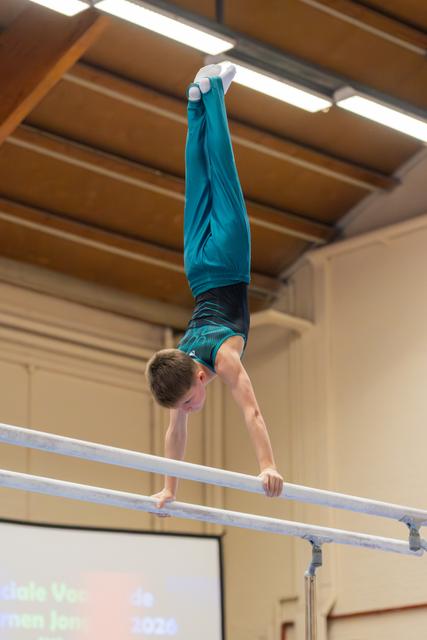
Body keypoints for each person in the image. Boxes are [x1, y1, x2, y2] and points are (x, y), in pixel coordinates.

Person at [145, 63, 284, 510]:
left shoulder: (221, 360)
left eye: (186, 401)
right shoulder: (179, 360)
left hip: (227, 260)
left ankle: (215, 96)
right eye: (187, 403)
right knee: (200, 184)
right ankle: (197, 101)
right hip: (196, 269)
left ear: (199, 375)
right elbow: (175, 431)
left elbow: (252, 411)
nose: (186, 409)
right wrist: (170, 489)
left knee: (221, 175)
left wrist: (268, 465)